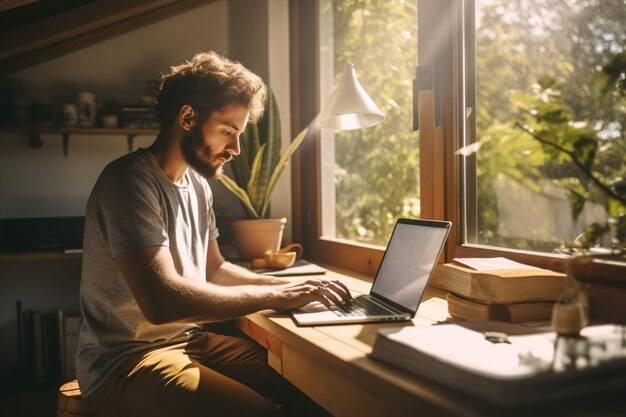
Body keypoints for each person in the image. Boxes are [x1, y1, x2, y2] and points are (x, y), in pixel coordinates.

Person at [75, 51, 352, 417]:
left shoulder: (198, 186)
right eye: (228, 132)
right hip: (126, 360)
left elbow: (215, 269)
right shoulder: (128, 182)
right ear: (188, 118)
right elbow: (161, 303)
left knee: (316, 387)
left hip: (192, 341)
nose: (236, 148)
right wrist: (277, 295)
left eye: (239, 134)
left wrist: (294, 291)